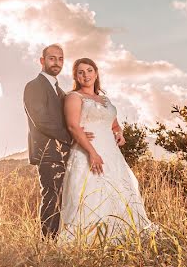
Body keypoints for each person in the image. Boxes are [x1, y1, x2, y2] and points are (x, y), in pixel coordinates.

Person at [59, 58, 156, 243]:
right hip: (87, 151)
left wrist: (119, 132)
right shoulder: (73, 97)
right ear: (76, 76)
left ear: (96, 73)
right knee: (90, 192)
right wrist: (92, 153)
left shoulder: (105, 99)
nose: (85, 75)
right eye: (81, 72)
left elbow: (113, 123)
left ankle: (120, 236)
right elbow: (73, 126)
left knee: (118, 190)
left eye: (89, 70)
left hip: (111, 153)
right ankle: (89, 238)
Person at [23, 44, 86, 238]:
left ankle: (60, 239)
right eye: (52, 58)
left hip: (64, 152)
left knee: (64, 197)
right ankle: (48, 242)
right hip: (47, 152)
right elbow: (41, 120)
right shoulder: (34, 86)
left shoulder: (61, 91)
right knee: (51, 196)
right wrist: (72, 137)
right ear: (42, 61)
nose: (56, 62)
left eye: (60, 59)